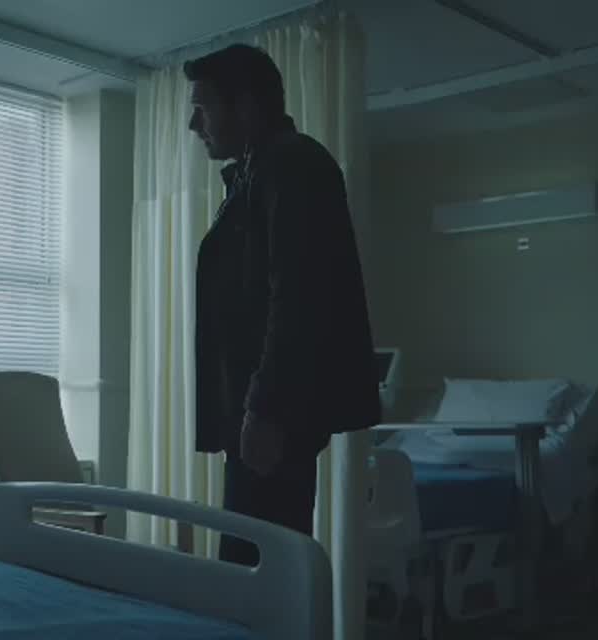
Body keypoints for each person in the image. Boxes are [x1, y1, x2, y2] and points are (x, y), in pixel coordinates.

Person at [185, 44, 380, 565]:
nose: (193, 124)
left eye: (203, 107)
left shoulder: (291, 165)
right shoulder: (260, 170)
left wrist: (265, 407)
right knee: (252, 567)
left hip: (272, 411)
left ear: (246, 106)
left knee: (257, 572)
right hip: (261, 407)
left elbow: (298, 293)